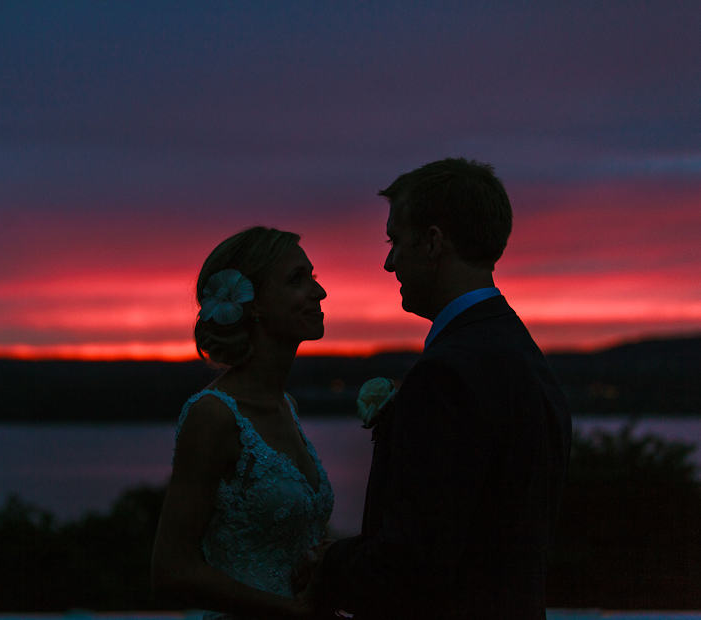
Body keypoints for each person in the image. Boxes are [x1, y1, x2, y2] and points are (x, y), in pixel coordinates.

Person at [311, 158, 572, 618]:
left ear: (432, 242)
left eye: (395, 239)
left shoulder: (447, 373)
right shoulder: (519, 352)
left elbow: (415, 561)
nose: (389, 261)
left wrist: (325, 563)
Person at [151, 226, 334, 619]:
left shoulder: (286, 405)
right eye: (297, 280)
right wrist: (291, 611)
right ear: (253, 303)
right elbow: (171, 570)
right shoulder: (214, 415)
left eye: (313, 278)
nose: (318, 293)